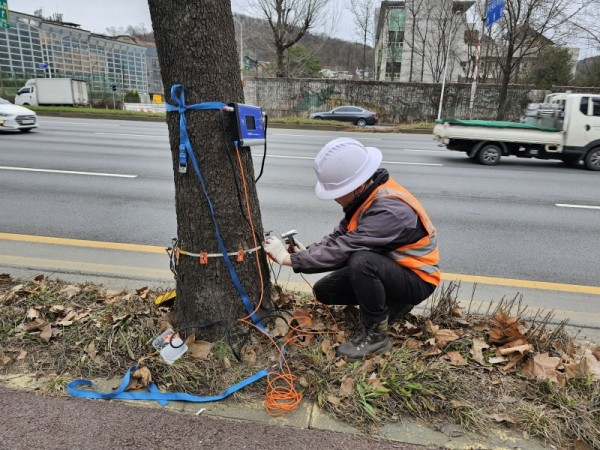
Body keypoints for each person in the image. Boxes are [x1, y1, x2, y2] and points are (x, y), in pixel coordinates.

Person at [263, 137, 440, 361]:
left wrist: (289, 260)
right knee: (325, 291)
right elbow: (340, 236)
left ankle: (376, 336)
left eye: (337, 191)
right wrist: (305, 252)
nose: (334, 198)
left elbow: (346, 249)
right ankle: (390, 305)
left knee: (361, 261)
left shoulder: (389, 210)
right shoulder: (366, 197)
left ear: (356, 186)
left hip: (417, 280)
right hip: (390, 270)